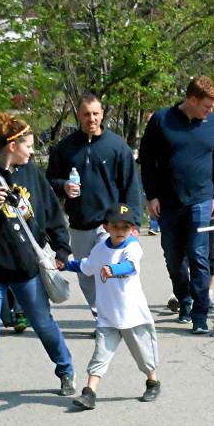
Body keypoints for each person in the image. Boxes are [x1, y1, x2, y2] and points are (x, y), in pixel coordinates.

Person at [0, 113, 76, 395]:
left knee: (43, 324)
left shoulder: (31, 173)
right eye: (28, 146)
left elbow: (52, 212)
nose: (32, 152)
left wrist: (62, 247)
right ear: (12, 145)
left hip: (26, 266)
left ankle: (66, 370)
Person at [138, 76, 214, 334]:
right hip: (168, 202)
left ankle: (200, 313)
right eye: (206, 106)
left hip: (202, 199)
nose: (210, 111)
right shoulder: (161, 120)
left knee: (199, 255)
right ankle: (184, 299)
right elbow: (147, 160)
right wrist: (151, 195)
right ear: (192, 100)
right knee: (173, 258)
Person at [46, 93, 141, 318]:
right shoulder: (65, 147)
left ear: (102, 114)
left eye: (96, 113)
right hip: (79, 222)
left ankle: (112, 317)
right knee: (86, 275)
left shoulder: (117, 146)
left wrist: (134, 222)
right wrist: (64, 186)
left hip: (109, 224)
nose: (92, 119)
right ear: (78, 115)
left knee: (107, 269)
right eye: (86, 114)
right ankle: (100, 315)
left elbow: (131, 185)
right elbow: (49, 181)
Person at [62, 204, 160, 410]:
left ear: (132, 228)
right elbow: (86, 266)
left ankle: (152, 382)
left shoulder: (132, 246)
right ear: (106, 227)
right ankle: (89, 393)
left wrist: (113, 269)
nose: (120, 231)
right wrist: (65, 265)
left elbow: (130, 266)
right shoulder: (99, 249)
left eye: (126, 227)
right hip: (107, 316)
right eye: (115, 226)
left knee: (145, 357)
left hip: (133, 315)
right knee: (100, 355)